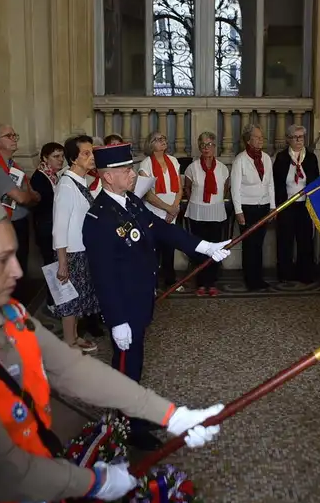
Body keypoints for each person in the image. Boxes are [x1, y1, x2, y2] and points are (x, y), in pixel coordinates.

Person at [0, 178, 223, 503]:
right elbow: (9, 473)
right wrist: (94, 482)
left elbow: (70, 369)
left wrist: (171, 415)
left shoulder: (9, 314)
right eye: (1, 260)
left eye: (15, 255)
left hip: (42, 482)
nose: (17, 271)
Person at [83, 143, 231, 450]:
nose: (133, 174)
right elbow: (103, 275)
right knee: (126, 365)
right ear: (108, 177)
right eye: (127, 170)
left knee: (134, 361)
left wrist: (204, 247)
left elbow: (163, 230)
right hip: (124, 306)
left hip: (140, 299)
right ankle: (127, 426)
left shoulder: (130, 202)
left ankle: (133, 413)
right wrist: (116, 320)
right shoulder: (99, 218)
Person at [50, 135, 101, 353]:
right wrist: (62, 263)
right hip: (70, 253)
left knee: (78, 297)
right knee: (69, 300)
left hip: (82, 249)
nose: (92, 157)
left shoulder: (80, 181)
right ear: (73, 158)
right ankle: (69, 343)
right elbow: (59, 227)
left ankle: (75, 337)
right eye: (86, 154)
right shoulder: (66, 185)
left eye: (92, 152)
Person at [0, 124, 41, 299]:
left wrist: (29, 195)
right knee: (13, 267)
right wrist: (29, 196)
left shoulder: (12, 164)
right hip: (8, 223)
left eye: (15, 135)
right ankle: (14, 302)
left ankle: (20, 301)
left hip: (20, 220)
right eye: (9, 136)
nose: (14, 139)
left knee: (21, 264)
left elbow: (30, 192)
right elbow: (22, 197)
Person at [183, 131, 231, 296]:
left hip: (216, 212)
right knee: (199, 249)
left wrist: (213, 202)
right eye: (203, 145)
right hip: (197, 212)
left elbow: (225, 189)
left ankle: (211, 282)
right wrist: (198, 202)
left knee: (215, 248)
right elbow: (187, 188)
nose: (206, 148)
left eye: (209, 144)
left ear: (214, 146)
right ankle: (201, 283)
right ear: (199, 147)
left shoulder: (223, 168)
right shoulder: (192, 167)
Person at [272, 123, 319, 283]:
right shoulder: (282, 157)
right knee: (285, 239)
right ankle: (285, 273)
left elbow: (315, 181)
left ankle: (305, 273)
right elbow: (276, 183)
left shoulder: (311, 157)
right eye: (295, 137)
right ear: (288, 139)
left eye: (301, 137)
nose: (298, 140)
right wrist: (277, 205)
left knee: (305, 239)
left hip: (305, 205)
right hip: (286, 205)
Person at [230, 124, 275, 291]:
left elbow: (270, 184)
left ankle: (258, 278)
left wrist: (273, 207)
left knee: (259, 244)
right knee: (249, 245)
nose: (261, 140)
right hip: (247, 208)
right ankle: (250, 279)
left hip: (263, 206)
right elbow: (235, 189)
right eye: (257, 137)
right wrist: (238, 211)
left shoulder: (266, 158)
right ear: (248, 140)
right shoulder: (240, 160)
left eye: (262, 137)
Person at [139, 131, 184, 288]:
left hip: (172, 213)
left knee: (169, 249)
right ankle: (152, 285)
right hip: (154, 213)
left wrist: (174, 208)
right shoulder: (146, 164)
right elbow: (147, 194)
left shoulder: (173, 161)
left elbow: (179, 188)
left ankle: (170, 281)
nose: (162, 141)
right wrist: (168, 209)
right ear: (150, 144)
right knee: (154, 251)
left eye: (163, 138)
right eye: (157, 139)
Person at [30, 142, 65, 266]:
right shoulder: (39, 177)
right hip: (46, 226)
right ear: (45, 158)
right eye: (56, 156)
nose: (61, 160)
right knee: (50, 262)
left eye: (62, 156)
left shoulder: (55, 174)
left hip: (54, 223)